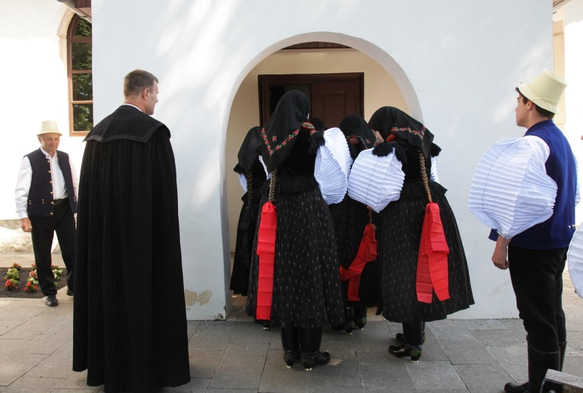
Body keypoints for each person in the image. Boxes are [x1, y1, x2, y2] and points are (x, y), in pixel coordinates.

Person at [72, 69, 190, 392]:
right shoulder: (154, 134)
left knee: (107, 295)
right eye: (156, 92)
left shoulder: (97, 134)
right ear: (145, 94)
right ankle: (150, 369)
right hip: (144, 241)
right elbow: (164, 199)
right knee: (145, 295)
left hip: (104, 243)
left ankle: (109, 367)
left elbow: (89, 199)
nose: (157, 99)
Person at [472, 69, 576, 393]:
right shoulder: (558, 138)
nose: (516, 107)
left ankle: (542, 389)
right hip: (556, 240)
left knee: (538, 318)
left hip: (533, 244)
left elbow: (519, 199)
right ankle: (547, 384)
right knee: (551, 312)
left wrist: (502, 242)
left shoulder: (534, 143)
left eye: (518, 101)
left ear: (530, 104)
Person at [245, 90, 345, 370]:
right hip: (306, 207)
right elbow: (327, 173)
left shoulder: (265, 136)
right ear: (304, 110)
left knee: (283, 275)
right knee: (310, 274)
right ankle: (311, 353)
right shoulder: (311, 134)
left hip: (276, 205)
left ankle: (290, 351)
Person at [366, 106, 474, 361]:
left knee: (406, 275)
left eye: (376, 131)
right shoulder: (419, 139)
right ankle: (417, 333)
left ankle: (413, 343)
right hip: (428, 205)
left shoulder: (394, 147)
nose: (376, 137)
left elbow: (387, 186)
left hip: (404, 213)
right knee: (422, 270)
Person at [15, 120, 77, 307]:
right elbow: (21, 190)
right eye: (49, 139)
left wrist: (78, 207)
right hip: (40, 212)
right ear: (41, 139)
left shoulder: (65, 157)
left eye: (56, 138)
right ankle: (49, 293)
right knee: (43, 254)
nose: (53, 142)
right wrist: (23, 216)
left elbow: (74, 184)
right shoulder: (30, 159)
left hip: (64, 209)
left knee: (73, 251)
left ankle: (74, 287)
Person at [329, 114, 379, 332]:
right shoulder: (372, 152)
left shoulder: (338, 149)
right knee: (363, 260)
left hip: (339, 213)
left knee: (340, 259)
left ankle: (343, 314)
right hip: (364, 214)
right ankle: (360, 312)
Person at [230, 126, 267, 296]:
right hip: (263, 209)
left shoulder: (243, 163)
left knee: (247, 247)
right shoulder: (264, 160)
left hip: (248, 209)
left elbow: (245, 187)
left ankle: (247, 290)